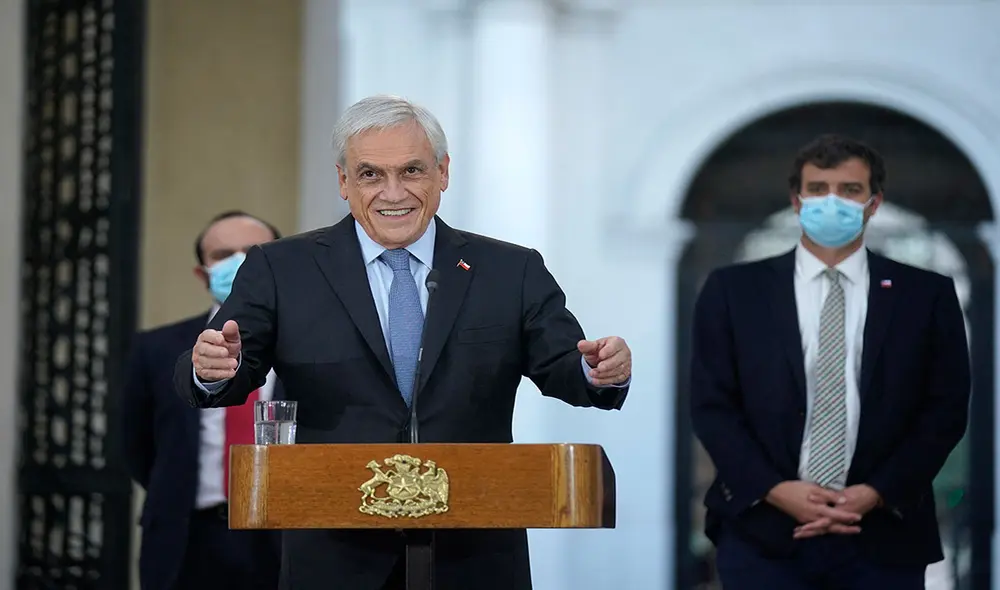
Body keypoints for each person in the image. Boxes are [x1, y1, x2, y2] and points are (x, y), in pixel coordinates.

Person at [171, 95, 633, 590]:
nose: (394, 192)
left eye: (412, 171)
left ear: (443, 173)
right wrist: (211, 368)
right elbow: (234, 364)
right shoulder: (283, 268)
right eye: (371, 174)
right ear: (344, 182)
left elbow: (563, 362)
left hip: (473, 555)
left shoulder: (510, 270)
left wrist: (597, 370)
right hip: (334, 557)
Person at [689, 133, 971, 589]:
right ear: (797, 201)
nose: (831, 201)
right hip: (762, 534)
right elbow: (711, 403)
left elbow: (945, 408)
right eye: (818, 189)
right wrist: (776, 490)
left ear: (873, 202)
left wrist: (876, 493)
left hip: (885, 536)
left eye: (850, 190)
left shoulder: (926, 295)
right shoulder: (734, 290)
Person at [122, 211, 284, 590]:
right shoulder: (158, 349)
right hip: (190, 538)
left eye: (253, 253)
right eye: (224, 254)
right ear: (202, 273)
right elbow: (137, 445)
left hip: (285, 538)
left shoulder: (313, 345)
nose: (240, 263)